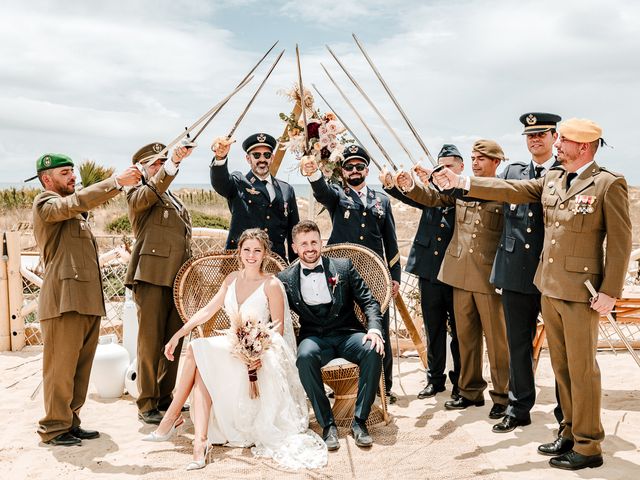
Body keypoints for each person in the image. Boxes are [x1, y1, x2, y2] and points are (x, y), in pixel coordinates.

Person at [431, 118, 632, 470]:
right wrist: (463, 181)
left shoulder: (606, 184)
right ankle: (569, 431)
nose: (557, 146)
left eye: (563, 141)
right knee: (562, 367)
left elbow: (619, 244)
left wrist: (610, 292)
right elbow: (512, 191)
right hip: (549, 288)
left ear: (583, 147)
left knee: (582, 370)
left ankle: (588, 445)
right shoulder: (552, 179)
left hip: (581, 293)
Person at [143, 228, 327, 471]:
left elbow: (278, 330)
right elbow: (207, 311)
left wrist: (257, 351)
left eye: (257, 250)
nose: (251, 255)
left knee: (198, 354)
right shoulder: (230, 279)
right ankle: (199, 442)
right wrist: (178, 334)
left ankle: (171, 422)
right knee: (198, 356)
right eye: (246, 249)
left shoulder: (271, 284)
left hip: (258, 355)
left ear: (265, 254)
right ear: (239, 252)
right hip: (231, 346)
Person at [395, 140, 510, 420]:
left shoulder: (505, 191)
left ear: (497, 162)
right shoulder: (461, 188)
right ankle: (470, 391)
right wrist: (411, 186)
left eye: (482, 158)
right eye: (473, 157)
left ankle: (503, 396)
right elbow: (434, 198)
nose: (476, 162)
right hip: (459, 275)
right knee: (466, 338)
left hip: (488, 277)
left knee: (496, 340)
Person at [31, 153, 141, 446]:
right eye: (65, 172)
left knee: (79, 369)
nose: (73, 177)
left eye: (72, 172)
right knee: (60, 369)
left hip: (85, 301)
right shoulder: (46, 203)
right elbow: (74, 202)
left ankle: (71, 421)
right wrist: (116, 182)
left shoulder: (74, 215)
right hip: (63, 300)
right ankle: (53, 427)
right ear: (47, 179)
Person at [301, 146, 400, 402]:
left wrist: (395, 276)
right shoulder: (337, 196)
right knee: (347, 328)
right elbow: (321, 191)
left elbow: (391, 242)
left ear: (367, 170)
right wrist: (313, 174)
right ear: (342, 171)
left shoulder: (382, 200)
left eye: (359, 166)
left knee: (380, 329)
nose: (354, 171)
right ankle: (345, 386)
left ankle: (384, 388)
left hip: (376, 276)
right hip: (343, 276)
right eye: (349, 167)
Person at [277, 220, 385, 450]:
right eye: (303, 243)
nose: (310, 248)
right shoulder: (284, 279)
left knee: (373, 349)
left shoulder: (343, 266)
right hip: (314, 337)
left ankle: (359, 421)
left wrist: (374, 328)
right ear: (295, 247)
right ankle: (328, 425)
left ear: (321, 243)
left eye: (314, 242)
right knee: (304, 358)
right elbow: (275, 311)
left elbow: (368, 301)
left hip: (348, 333)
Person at [491, 113, 562, 434]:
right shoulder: (513, 172)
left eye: (541, 134)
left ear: (554, 136)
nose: (535, 140)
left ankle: (567, 412)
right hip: (516, 271)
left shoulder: (565, 173)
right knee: (517, 342)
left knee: (561, 347)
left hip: (553, 274)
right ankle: (519, 407)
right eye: (530, 135)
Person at [380, 145, 463, 400]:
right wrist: (392, 186)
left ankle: (460, 382)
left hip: (457, 272)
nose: (445, 170)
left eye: (450, 165)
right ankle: (435, 380)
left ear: (461, 167)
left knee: (460, 332)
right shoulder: (431, 191)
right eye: (441, 165)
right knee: (433, 328)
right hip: (429, 270)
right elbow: (412, 196)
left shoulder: (466, 190)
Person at [125, 142, 194, 425]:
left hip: (177, 279)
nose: (158, 167)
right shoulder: (138, 194)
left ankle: (166, 398)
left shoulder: (170, 197)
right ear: (141, 169)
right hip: (151, 277)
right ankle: (147, 403)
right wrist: (171, 166)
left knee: (172, 342)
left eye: (161, 162)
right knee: (150, 343)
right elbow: (149, 193)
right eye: (153, 164)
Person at [210, 133, 299, 262]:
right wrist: (220, 157)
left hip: (275, 264)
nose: (262, 159)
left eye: (266, 155)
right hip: (240, 263)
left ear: (272, 158)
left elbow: (293, 233)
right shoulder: (238, 183)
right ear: (248, 159)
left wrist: (295, 267)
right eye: (256, 155)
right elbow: (220, 182)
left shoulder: (286, 190)